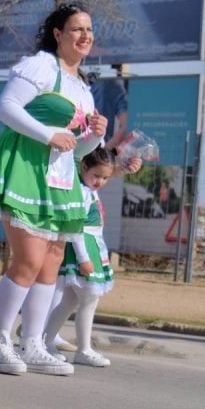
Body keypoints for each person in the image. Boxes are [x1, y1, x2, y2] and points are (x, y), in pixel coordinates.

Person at [0, 4, 107, 375]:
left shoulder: (83, 87)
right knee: (28, 261)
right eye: (77, 28)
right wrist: (48, 134)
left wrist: (93, 137)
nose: (85, 35)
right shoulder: (40, 66)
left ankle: (32, 342)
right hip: (23, 168)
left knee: (49, 266)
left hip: (60, 178)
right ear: (58, 34)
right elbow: (6, 107)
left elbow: (76, 149)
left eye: (90, 29)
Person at [42, 146, 140, 368]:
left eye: (105, 177)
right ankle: (83, 349)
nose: (100, 181)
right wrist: (84, 258)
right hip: (84, 246)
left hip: (90, 244)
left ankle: (45, 341)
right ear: (83, 167)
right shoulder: (82, 192)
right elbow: (76, 227)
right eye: (96, 175)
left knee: (69, 301)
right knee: (88, 299)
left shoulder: (87, 189)